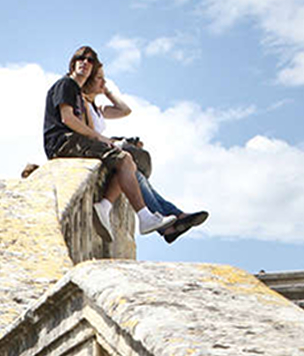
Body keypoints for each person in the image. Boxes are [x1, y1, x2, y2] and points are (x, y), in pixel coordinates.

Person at [43, 46, 175, 241]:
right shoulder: (66, 84)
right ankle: (143, 217)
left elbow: (124, 110)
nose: (85, 63)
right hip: (63, 142)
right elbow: (67, 119)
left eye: (90, 61)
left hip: (72, 142)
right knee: (123, 159)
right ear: (73, 63)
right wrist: (100, 139)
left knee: (125, 162)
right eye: (81, 58)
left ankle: (106, 207)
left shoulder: (79, 94)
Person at [82, 63, 207, 244]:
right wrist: (118, 143)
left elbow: (125, 110)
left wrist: (107, 91)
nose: (103, 81)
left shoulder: (98, 109)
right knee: (133, 172)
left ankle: (171, 221)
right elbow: (91, 133)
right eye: (99, 78)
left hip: (107, 149)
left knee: (135, 174)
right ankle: (172, 219)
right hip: (98, 151)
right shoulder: (84, 103)